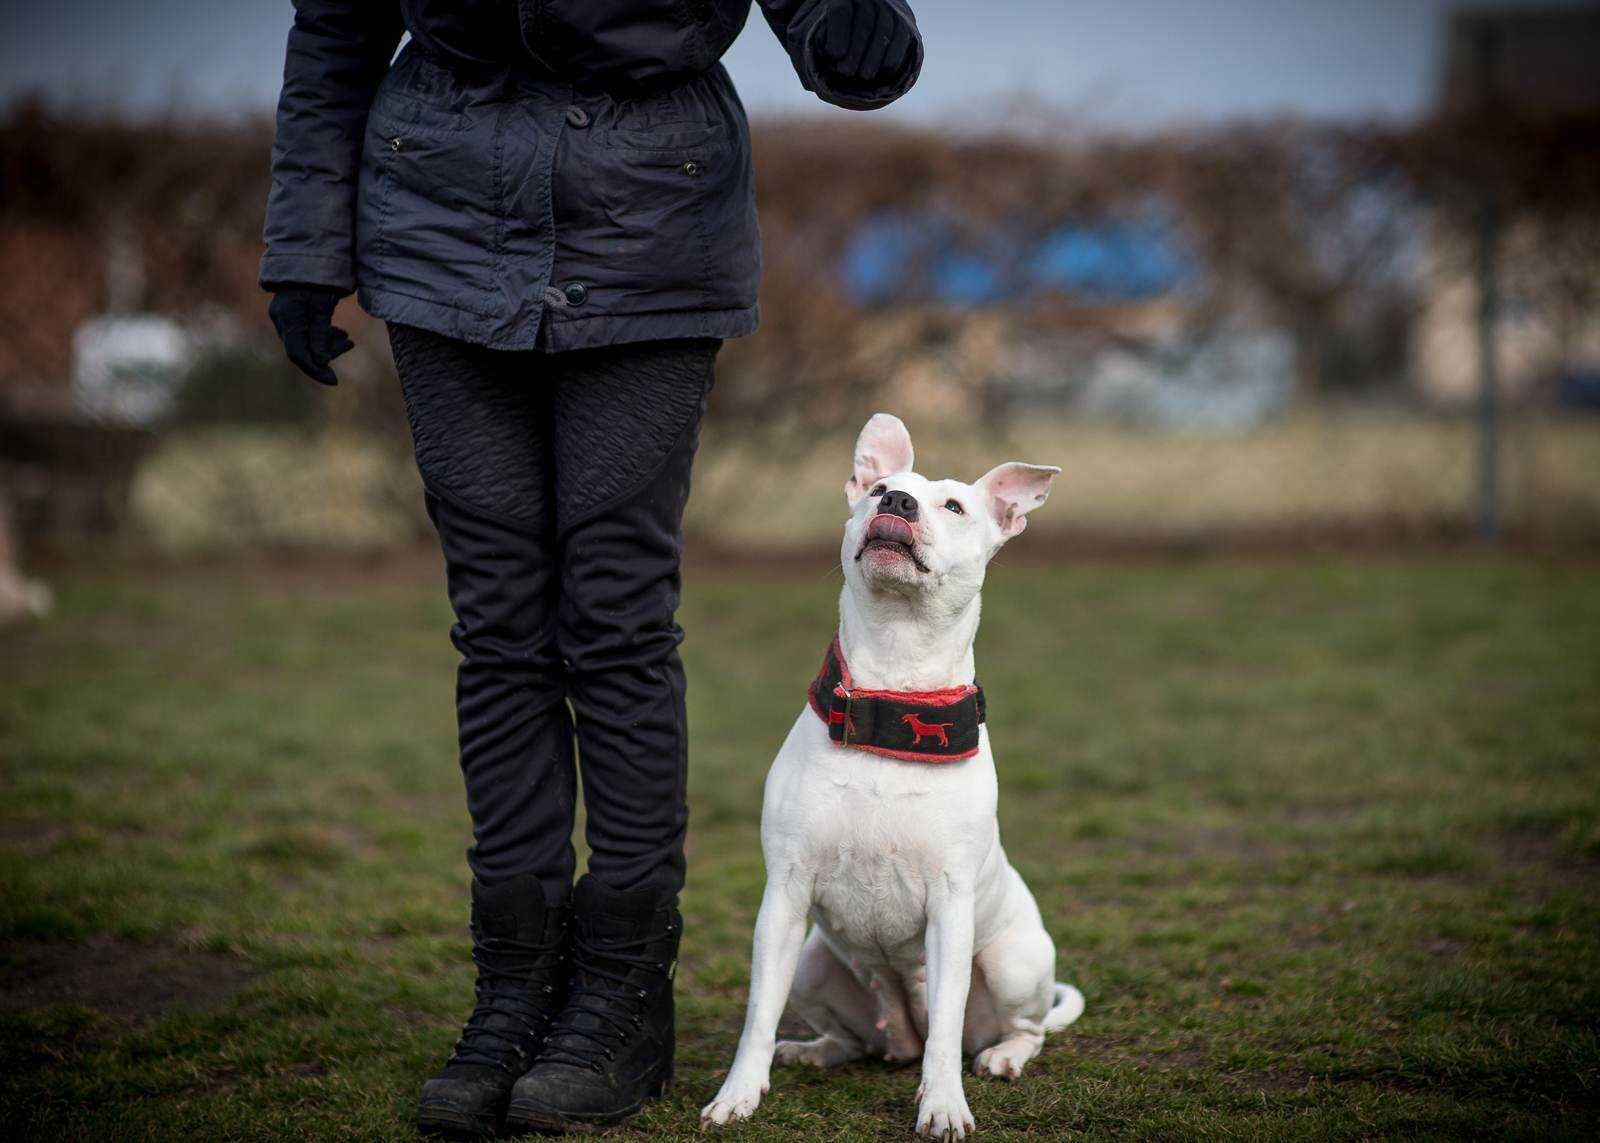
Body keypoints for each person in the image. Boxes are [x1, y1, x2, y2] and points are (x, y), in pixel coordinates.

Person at [260, 0, 922, 1134]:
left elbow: (857, 61)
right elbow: (337, 27)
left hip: (650, 228)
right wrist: (306, 244)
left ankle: (620, 998)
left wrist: (862, 34)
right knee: (501, 628)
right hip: (439, 223)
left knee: (613, 621)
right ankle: (512, 992)